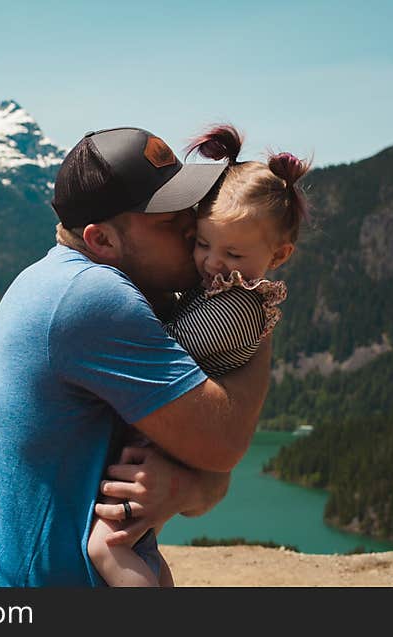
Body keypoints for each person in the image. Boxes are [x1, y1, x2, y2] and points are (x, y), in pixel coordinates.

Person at [0, 126, 274, 586]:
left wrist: (185, 485)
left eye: (188, 208)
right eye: (168, 220)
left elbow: (208, 471)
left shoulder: (53, 279)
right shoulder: (92, 297)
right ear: (101, 240)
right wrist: (255, 305)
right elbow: (222, 443)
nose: (192, 227)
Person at [84, 124, 312, 586]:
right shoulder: (229, 290)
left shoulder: (235, 307)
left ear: (279, 254)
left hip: (168, 438)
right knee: (139, 543)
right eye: (201, 243)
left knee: (107, 544)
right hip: (176, 434)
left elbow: (169, 346)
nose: (211, 262)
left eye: (231, 252)